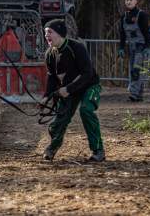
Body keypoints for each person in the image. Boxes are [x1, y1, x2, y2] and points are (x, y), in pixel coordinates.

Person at [40, 19, 105, 162]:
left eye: (50, 32)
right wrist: (47, 96)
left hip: (89, 86)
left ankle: (98, 150)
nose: (46, 36)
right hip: (69, 90)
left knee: (86, 110)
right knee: (58, 122)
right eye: (45, 33)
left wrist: (68, 89)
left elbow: (87, 73)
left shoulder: (77, 48)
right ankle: (53, 147)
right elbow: (52, 78)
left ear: (60, 33)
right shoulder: (50, 54)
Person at [118, 0, 150, 102]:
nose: (128, 1)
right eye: (127, 0)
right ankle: (139, 95)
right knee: (134, 69)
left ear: (136, 1)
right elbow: (122, 34)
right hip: (131, 47)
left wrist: (147, 46)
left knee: (136, 70)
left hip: (140, 46)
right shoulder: (123, 17)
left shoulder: (141, 15)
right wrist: (121, 47)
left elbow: (146, 32)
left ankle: (133, 93)